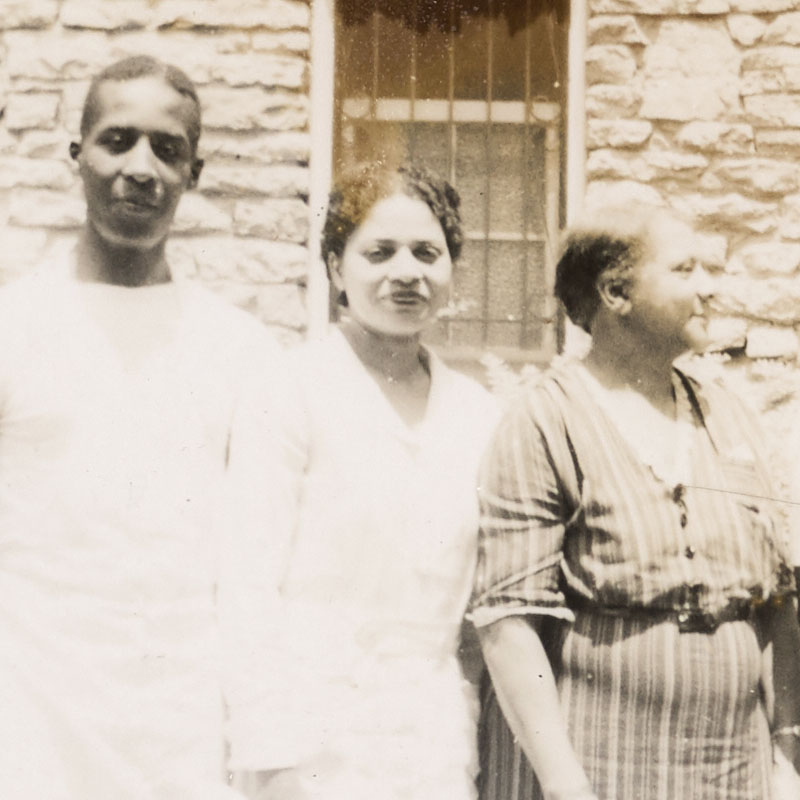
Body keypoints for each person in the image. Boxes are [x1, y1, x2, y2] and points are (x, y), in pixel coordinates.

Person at [0, 56, 295, 799]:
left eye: (167, 149)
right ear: (78, 157)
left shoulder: (239, 350)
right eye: (117, 141)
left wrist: (261, 745)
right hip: (30, 722)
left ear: (195, 173)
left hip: (178, 732)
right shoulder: (14, 325)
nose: (141, 168)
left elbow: (253, 570)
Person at [469, 206, 800, 800]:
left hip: (728, 772)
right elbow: (508, 623)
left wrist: (786, 756)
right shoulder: (546, 423)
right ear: (615, 292)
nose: (710, 286)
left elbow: (775, 605)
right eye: (685, 268)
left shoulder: (727, 417)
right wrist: (565, 783)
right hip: (597, 767)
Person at [248, 162, 499, 800]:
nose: (407, 272)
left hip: (432, 740)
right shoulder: (290, 388)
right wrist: (273, 758)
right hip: (308, 738)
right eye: (379, 252)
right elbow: (249, 582)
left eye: (427, 252)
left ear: (451, 267)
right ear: (336, 268)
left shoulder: (478, 413)